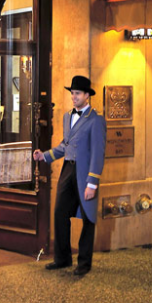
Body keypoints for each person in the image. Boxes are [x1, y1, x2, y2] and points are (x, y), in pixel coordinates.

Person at [33, 75, 106, 276]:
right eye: (72, 93)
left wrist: (92, 183)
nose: (74, 97)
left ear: (87, 95)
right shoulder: (67, 116)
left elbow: (98, 153)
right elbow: (65, 146)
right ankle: (62, 259)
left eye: (78, 93)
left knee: (88, 218)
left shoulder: (96, 120)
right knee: (60, 213)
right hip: (68, 170)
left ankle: (84, 263)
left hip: (85, 173)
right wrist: (44, 156)